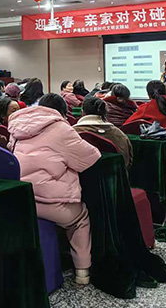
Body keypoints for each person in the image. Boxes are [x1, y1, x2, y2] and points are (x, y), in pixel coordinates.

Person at [7, 93, 99, 285]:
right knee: (80, 219)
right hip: (51, 203)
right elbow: (90, 157)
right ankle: (82, 272)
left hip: (22, 198)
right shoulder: (61, 129)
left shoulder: (17, 125)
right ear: (63, 112)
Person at [74, 96, 134, 168]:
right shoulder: (120, 135)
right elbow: (128, 161)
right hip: (114, 173)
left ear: (83, 112)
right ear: (105, 113)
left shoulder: (72, 133)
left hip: (80, 174)